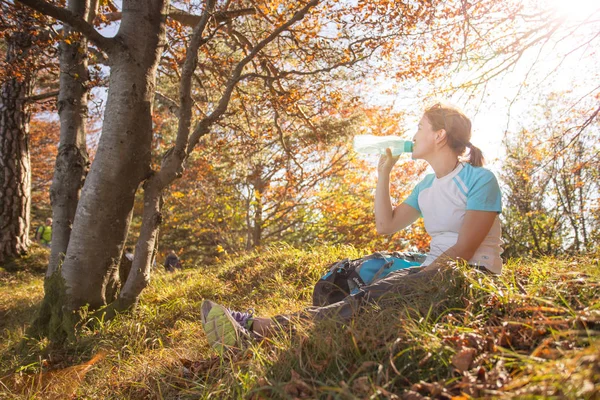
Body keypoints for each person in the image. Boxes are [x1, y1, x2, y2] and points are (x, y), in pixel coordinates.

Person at [200, 102, 503, 354]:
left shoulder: (480, 180)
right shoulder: (426, 186)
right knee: (357, 289)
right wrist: (384, 173)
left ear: (439, 135)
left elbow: (464, 251)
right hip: (431, 270)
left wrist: (415, 279)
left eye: (420, 128)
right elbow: (386, 225)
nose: (413, 134)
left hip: (471, 275)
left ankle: (256, 328)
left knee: (373, 296)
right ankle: (261, 334)